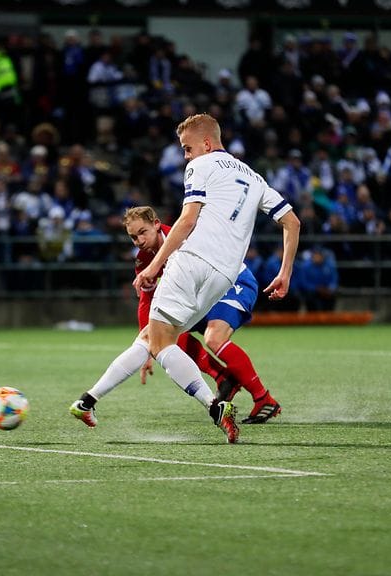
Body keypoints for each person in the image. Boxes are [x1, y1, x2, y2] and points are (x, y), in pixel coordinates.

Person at [75, 113, 301, 444]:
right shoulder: (254, 178)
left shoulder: (202, 165)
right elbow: (293, 222)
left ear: (206, 143)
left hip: (192, 261)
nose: (185, 156)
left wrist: (154, 267)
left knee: (159, 342)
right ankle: (87, 401)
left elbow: (187, 220)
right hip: (224, 276)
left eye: (187, 148)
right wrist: (284, 273)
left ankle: (214, 407)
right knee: (154, 338)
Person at [68, 206, 282, 431]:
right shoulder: (144, 259)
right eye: (133, 237)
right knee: (169, 337)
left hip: (233, 282)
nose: (139, 240)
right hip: (202, 291)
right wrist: (151, 348)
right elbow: (146, 302)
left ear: (157, 224)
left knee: (214, 338)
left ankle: (263, 398)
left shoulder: (182, 236)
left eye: (143, 232)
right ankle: (222, 379)